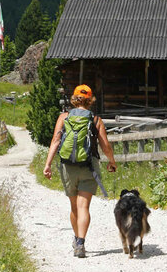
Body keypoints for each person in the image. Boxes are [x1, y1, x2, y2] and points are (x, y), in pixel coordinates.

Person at [43, 84, 117, 258]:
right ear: (90, 100)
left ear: (74, 99)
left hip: (68, 166)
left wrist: (47, 164)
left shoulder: (64, 117)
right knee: (84, 206)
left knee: (74, 206)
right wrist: (112, 161)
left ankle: (76, 239)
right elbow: (105, 145)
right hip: (89, 166)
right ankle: (81, 243)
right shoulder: (95, 120)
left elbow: (55, 141)